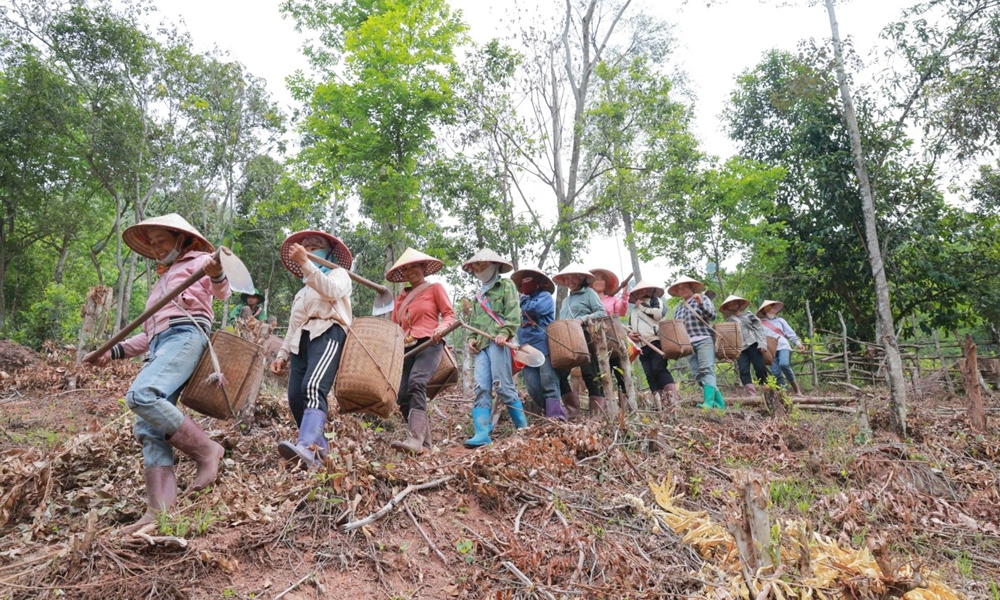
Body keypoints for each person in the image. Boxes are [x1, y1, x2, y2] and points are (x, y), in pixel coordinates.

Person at [89, 214, 229, 534]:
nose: (155, 246)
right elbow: (151, 333)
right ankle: (159, 513)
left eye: (161, 240)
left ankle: (207, 450)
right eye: (151, 242)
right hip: (161, 344)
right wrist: (112, 351)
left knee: (142, 395)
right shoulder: (162, 279)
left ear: (180, 239)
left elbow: (223, 293)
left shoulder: (200, 261)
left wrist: (217, 273)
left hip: (186, 336)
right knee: (148, 425)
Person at [270, 230, 353, 468]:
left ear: (328, 252)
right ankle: (318, 452)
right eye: (306, 245)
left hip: (328, 332)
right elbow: (294, 326)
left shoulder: (339, 274)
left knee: (314, 387)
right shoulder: (302, 291)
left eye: (316, 245)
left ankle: (307, 446)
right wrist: (282, 354)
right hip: (301, 341)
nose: (309, 247)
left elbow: (331, 291)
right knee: (296, 396)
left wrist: (306, 263)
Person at [386, 248, 456, 454]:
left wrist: (441, 328)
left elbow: (449, 315)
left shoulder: (435, 288)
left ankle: (415, 438)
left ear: (423, 268)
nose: (409, 272)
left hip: (429, 343)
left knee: (417, 382)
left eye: (413, 266)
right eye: (405, 269)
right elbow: (395, 327)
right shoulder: (401, 297)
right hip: (406, 349)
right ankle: (425, 446)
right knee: (401, 394)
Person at [463, 248, 527, 448]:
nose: (480, 269)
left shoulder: (506, 285)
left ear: (495, 266)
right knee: (481, 386)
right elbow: (474, 322)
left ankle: (523, 430)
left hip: (499, 343)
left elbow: (514, 313)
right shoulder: (478, 295)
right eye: (477, 266)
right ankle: (482, 433)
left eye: (484, 265)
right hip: (482, 346)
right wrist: (472, 339)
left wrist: (506, 332)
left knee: (502, 385)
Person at [553, 264, 610, 418]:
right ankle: (573, 412)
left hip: (584, 336)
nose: (569, 281)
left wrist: (582, 319)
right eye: (566, 278)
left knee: (590, 373)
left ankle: (597, 414)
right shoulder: (566, 300)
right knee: (559, 373)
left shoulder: (589, 293)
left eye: (573, 277)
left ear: (582, 278)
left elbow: (601, 312)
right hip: (566, 340)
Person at [511, 267, 565, 420]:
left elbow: (537, 309)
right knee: (532, 385)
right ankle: (547, 412)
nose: (525, 284)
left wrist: (524, 302)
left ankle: (556, 418)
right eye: (523, 282)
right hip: (525, 348)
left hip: (544, 345)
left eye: (529, 280)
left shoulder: (545, 296)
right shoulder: (520, 301)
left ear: (538, 283)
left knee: (548, 380)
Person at [668, 276, 724, 411]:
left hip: (704, 339)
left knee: (706, 369)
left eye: (684, 287)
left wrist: (700, 304)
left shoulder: (703, 299)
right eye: (679, 289)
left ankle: (708, 402)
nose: (682, 290)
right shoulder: (679, 308)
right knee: (697, 374)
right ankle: (720, 404)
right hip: (688, 345)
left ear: (692, 287)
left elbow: (712, 315)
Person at [626, 280, 679, 410]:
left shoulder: (656, 302)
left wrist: (642, 306)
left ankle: (673, 401)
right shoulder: (633, 312)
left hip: (656, 341)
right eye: (640, 291)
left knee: (659, 369)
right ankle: (659, 403)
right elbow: (630, 327)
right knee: (649, 374)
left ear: (652, 291)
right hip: (642, 346)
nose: (643, 293)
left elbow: (657, 314)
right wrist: (630, 335)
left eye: (646, 290)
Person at [590, 268, 630, 399]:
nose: (599, 281)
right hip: (595, 341)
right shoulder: (588, 300)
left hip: (613, 340)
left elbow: (622, 312)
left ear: (606, 283)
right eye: (596, 278)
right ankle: (605, 405)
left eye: (602, 279)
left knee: (619, 371)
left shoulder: (612, 299)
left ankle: (626, 401)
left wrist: (624, 294)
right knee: (599, 374)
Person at [719, 295, 769, 396]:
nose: (732, 305)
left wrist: (762, 343)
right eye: (730, 304)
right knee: (743, 370)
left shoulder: (749, 315)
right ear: (728, 308)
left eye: (734, 303)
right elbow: (727, 338)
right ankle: (752, 395)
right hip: (740, 349)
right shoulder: (728, 322)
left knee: (760, 368)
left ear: (739, 304)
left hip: (753, 344)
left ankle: (766, 391)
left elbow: (759, 329)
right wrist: (728, 354)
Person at [757, 299, 805, 396]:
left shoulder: (781, 321)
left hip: (783, 346)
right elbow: (759, 337)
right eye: (771, 308)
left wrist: (798, 343)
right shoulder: (760, 324)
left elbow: (790, 334)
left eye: (774, 308)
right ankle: (783, 394)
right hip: (770, 350)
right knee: (776, 372)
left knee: (784, 364)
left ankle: (797, 390)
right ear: (765, 310)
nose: (774, 310)